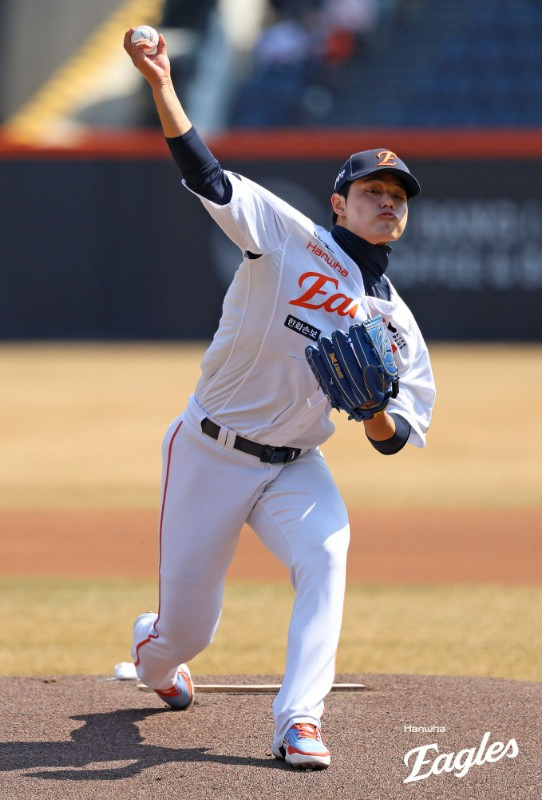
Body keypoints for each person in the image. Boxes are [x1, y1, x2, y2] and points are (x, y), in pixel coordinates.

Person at [124, 28, 435, 770]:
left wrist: (373, 413)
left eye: (397, 199)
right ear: (340, 203)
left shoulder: (398, 325)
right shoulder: (289, 236)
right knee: (186, 634)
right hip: (210, 448)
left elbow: (394, 439)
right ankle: (153, 656)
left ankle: (298, 720)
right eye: (372, 194)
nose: (386, 205)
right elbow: (205, 174)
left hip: (295, 464)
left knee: (328, 555)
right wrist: (162, 82)